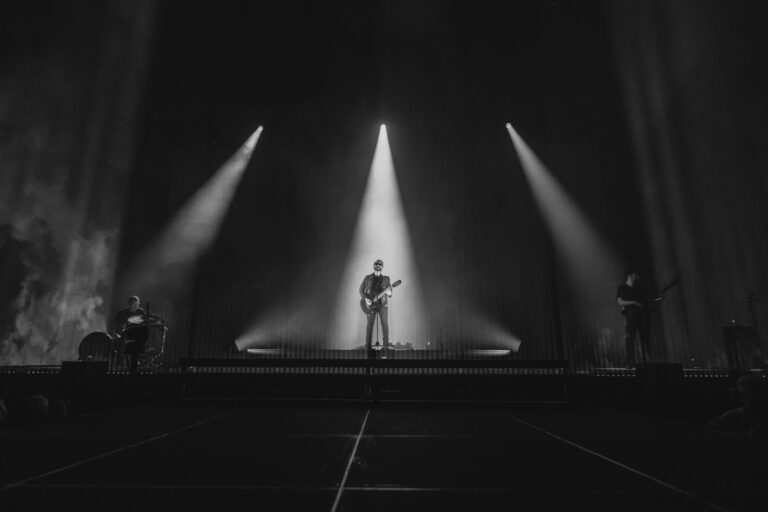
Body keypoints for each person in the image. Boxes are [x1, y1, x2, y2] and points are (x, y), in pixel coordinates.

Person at [617, 270, 652, 367]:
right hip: (630, 317)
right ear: (629, 275)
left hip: (642, 317)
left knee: (644, 340)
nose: (637, 277)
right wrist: (633, 302)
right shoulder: (622, 288)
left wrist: (655, 301)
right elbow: (620, 302)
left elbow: (646, 302)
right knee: (629, 339)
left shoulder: (640, 288)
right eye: (635, 275)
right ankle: (631, 363)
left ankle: (647, 362)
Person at [359, 259, 393, 355]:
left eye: (380, 264)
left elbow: (390, 293)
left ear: (382, 266)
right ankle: (368, 347)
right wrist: (365, 299)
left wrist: (389, 292)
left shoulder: (386, 279)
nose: (378, 265)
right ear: (373, 265)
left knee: (385, 324)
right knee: (369, 325)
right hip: (370, 305)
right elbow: (360, 289)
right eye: (376, 264)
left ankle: (385, 347)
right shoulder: (367, 278)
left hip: (382, 305)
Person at [111, 295, 149, 373]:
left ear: (138, 304)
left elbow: (144, 327)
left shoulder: (141, 312)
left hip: (135, 339)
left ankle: (132, 368)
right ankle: (119, 367)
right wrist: (117, 333)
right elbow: (115, 325)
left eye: (135, 304)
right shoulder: (122, 312)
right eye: (131, 303)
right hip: (123, 337)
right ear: (128, 304)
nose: (133, 305)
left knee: (135, 352)